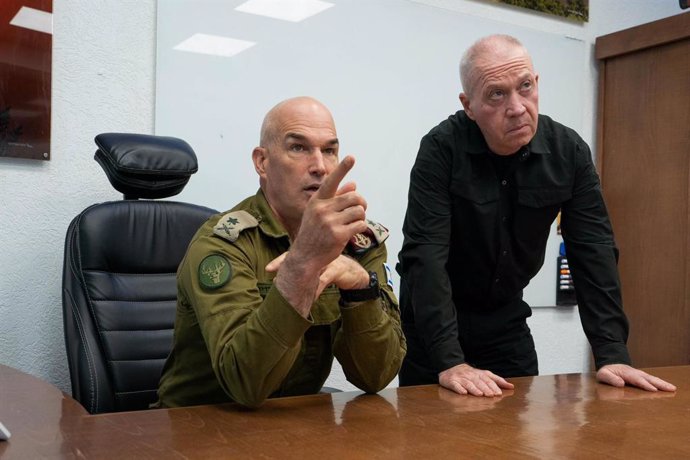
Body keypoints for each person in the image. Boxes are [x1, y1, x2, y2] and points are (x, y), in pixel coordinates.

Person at [396, 34, 675, 397]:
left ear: (537, 83)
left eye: (524, 87)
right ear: (468, 105)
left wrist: (611, 353)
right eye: (496, 94)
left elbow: (594, 251)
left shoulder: (569, 151)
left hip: (506, 323)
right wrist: (451, 360)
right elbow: (425, 258)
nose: (517, 107)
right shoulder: (441, 149)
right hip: (433, 331)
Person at [157, 96, 406, 408]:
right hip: (198, 427)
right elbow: (245, 384)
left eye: (329, 150)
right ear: (262, 162)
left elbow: (376, 376)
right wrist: (301, 267)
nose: (319, 166)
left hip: (294, 425)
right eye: (298, 148)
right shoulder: (222, 243)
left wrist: (360, 288)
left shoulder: (356, 242)